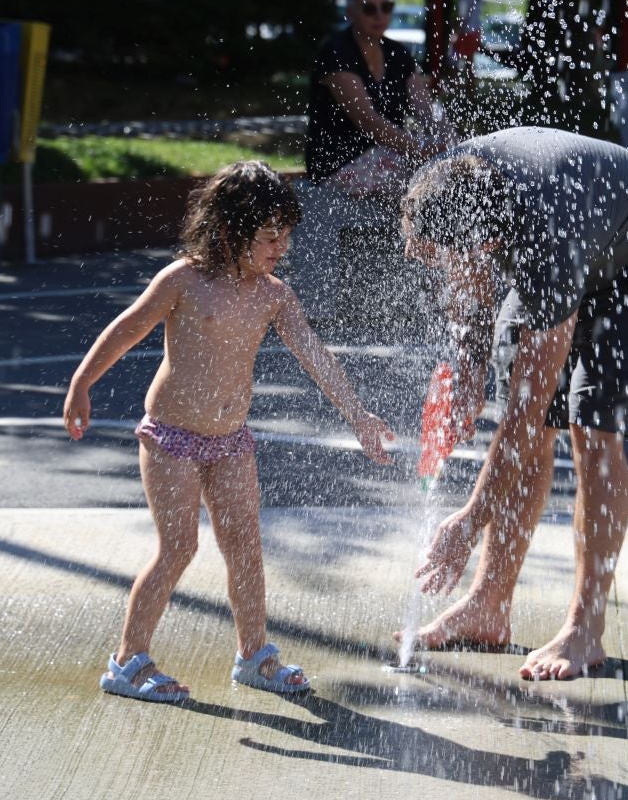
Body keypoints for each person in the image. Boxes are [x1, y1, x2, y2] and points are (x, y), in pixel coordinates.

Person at [63, 161, 394, 703]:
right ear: (229, 229)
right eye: (269, 236)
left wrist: (358, 415)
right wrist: (82, 382)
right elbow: (127, 328)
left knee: (245, 547)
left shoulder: (273, 295)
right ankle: (126, 661)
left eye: (286, 235)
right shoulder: (184, 280)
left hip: (230, 441)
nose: (281, 247)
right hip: (173, 437)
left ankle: (253, 654)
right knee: (178, 548)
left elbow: (314, 355)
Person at [394, 127, 628, 681]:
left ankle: (585, 628)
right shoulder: (444, 183)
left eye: (438, 258)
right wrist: (468, 362)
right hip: (575, 220)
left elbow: (525, 418)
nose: (427, 265)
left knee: (588, 426)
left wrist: (468, 521)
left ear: (483, 245)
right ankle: (488, 606)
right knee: (530, 412)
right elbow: (466, 283)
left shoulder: (545, 240)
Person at [305, 0, 453, 200]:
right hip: (340, 162)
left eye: (386, 7)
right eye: (369, 8)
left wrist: (450, 142)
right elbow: (368, 121)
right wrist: (423, 151)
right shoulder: (337, 53)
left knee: (453, 171)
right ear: (351, 12)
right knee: (431, 181)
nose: (379, 15)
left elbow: (427, 108)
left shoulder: (398, 53)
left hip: (389, 155)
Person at [452, 0, 484, 80]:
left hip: (465, 32)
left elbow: (461, 15)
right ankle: (470, 93)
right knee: (470, 66)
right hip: (475, 32)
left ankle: (453, 92)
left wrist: (454, 31)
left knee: (455, 64)